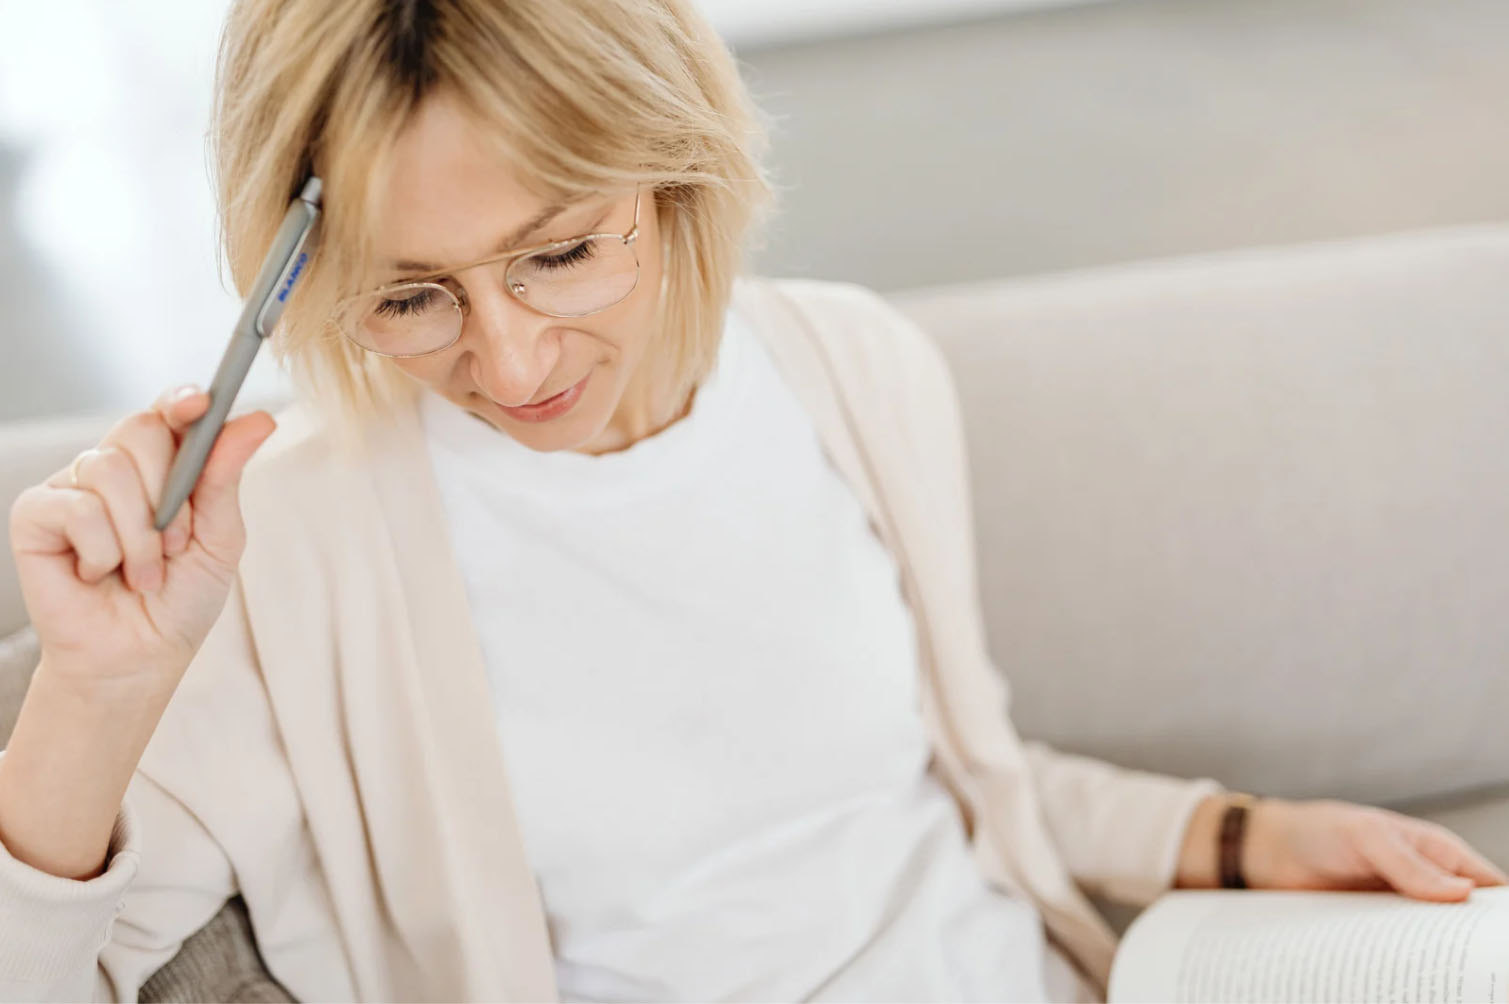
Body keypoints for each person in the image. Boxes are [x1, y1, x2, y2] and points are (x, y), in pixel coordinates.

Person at [2, 1, 1503, 1001]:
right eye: (409, 296)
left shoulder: (852, 366)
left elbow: (924, 780)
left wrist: (1242, 838)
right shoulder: (288, 537)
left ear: (672, 181)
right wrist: (94, 688)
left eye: (559, 253)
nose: (511, 356)